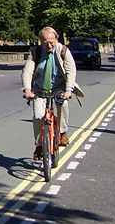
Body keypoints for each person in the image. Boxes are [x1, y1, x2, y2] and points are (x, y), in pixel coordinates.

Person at [21, 26, 77, 160]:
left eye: (51, 42)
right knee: (38, 116)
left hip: (59, 87)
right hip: (40, 89)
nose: (49, 45)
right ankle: (40, 146)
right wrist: (27, 89)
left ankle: (62, 132)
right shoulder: (35, 52)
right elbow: (27, 72)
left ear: (56, 39)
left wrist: (68, 90)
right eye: (45, 42)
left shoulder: (63, 50)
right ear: (41, 41)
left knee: (62, 105)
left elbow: (71, 71)